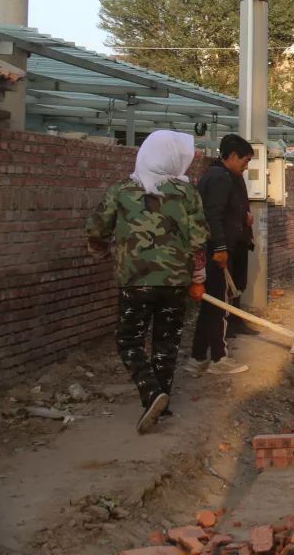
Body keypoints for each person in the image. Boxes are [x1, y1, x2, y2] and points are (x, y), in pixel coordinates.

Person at [85, 130, 208, 434]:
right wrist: (197, 277)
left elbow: (98, 228)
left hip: (135, 282)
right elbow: (199, 239)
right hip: (175, 281)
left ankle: (152, 393)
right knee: (167, 342)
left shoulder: (122, 190)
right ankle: (162, 405)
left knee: (128, 340)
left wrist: (99, 249)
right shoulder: (187, 193)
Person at [184, 134, 254, 376]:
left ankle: (197, 357)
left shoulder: (221, 176)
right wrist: (221, 248)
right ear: (232, 156)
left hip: (216, 250)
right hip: (216, 253)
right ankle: (219, 358)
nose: (246, 166)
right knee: (220, 305)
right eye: (245, 161)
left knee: (211, 304)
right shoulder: (220, 178)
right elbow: (213, 215)